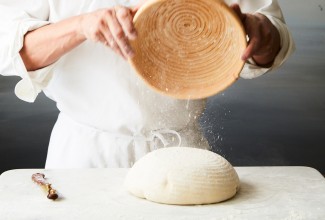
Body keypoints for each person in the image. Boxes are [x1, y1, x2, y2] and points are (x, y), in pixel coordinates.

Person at [0, 0, 295, 168]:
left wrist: (262, 33)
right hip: (84, 156)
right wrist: (80, 26)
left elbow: (273, 36)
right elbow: (12, 51)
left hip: (183, 152)